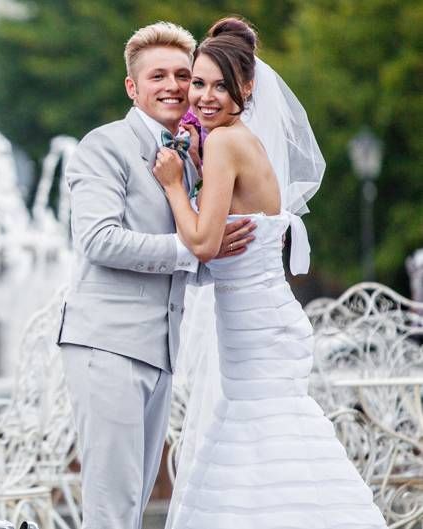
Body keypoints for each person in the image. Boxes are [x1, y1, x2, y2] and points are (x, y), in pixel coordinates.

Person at [153, 16, 388, 529]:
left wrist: (173, 183)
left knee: (266, 439)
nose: (204, 97)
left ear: (248, 87)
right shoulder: (233, 141)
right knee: (261, 441)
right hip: (260, 320)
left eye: (220, 86)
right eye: (198, 83)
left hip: (259, 326)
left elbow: (202, 242)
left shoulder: (224, 143)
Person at [56, 22, 256, 529]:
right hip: (107, 347)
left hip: (159, 351)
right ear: (132, 87)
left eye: (183, 75)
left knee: (136, 504)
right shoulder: (103, 147)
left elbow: (192, 256)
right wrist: (193, 250)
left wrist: (230, 258)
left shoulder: (189, 156)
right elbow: (98, 239)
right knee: (111, 510)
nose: (172, 85)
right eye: (157, 75)